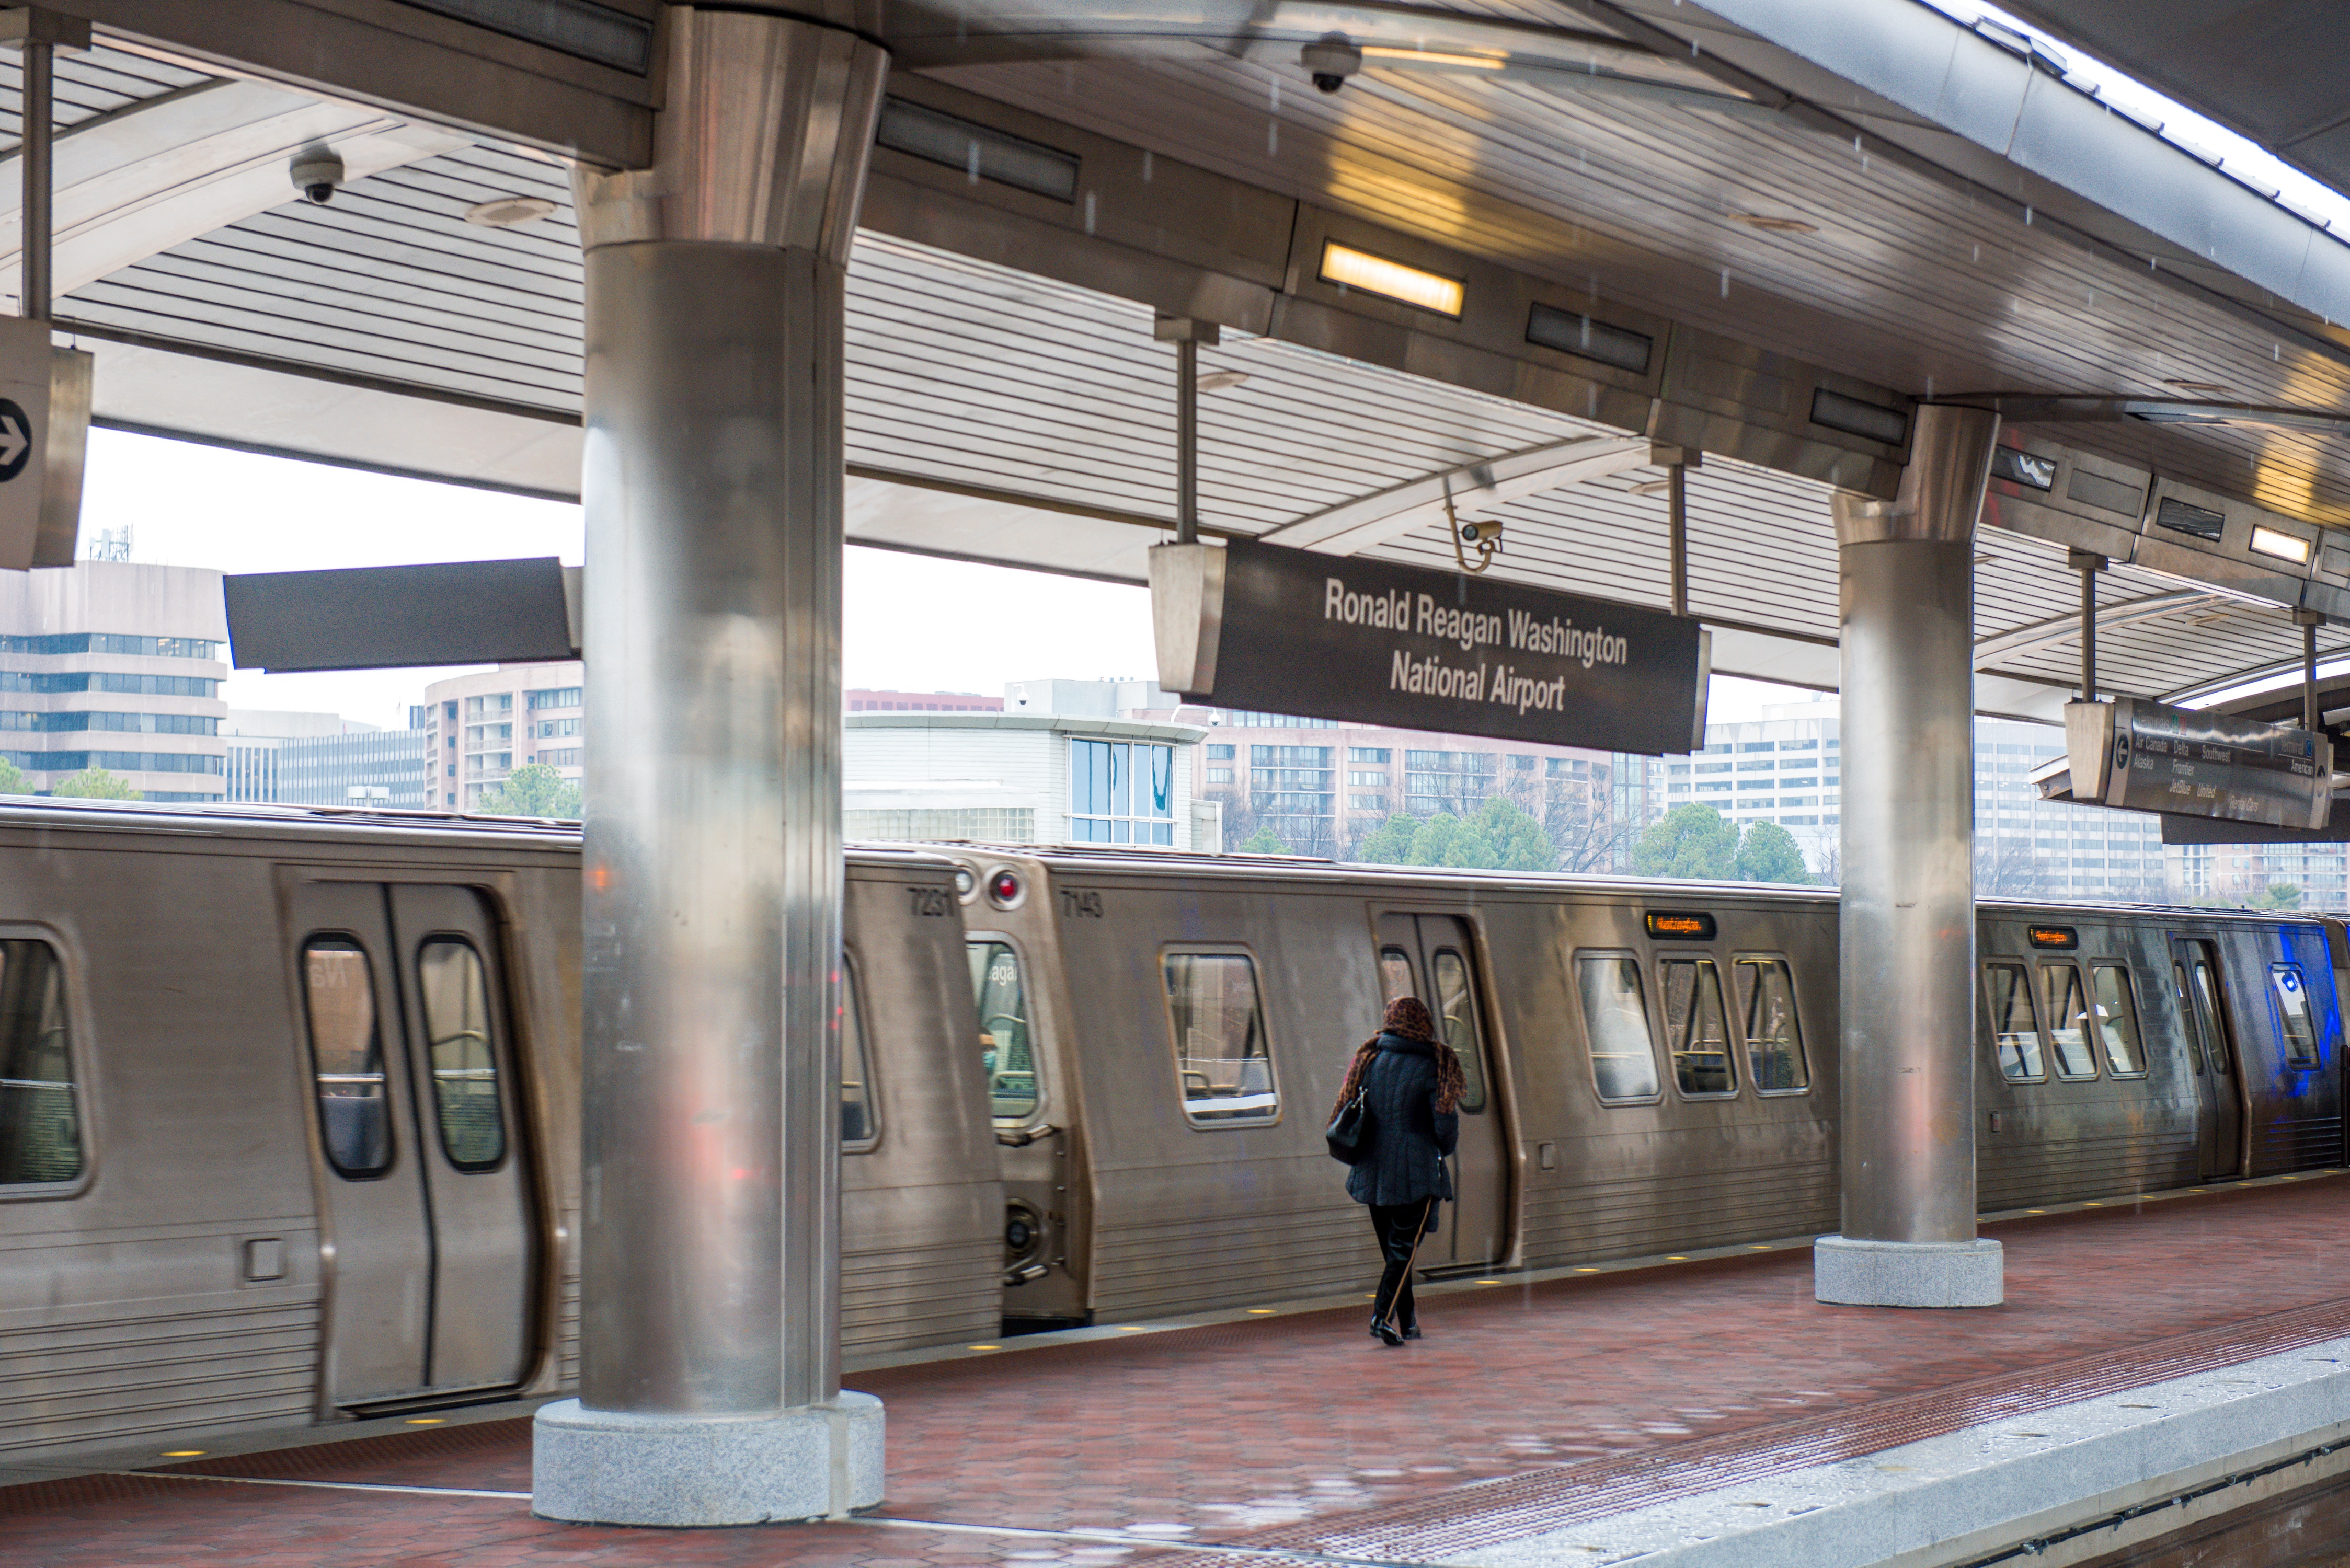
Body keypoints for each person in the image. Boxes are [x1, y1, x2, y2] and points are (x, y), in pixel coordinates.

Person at [1331, 996, 1463, 1345]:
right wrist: (1444, 1145)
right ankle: (1380, 1316)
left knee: (1395, 1255)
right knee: (1402, 1251)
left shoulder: (1369, 1060)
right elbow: (1444, 1128)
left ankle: (1409, 1323)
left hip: (1372, 1173)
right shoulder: (1432, 1065)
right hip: (1415, 1173)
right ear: (1423, 1024)